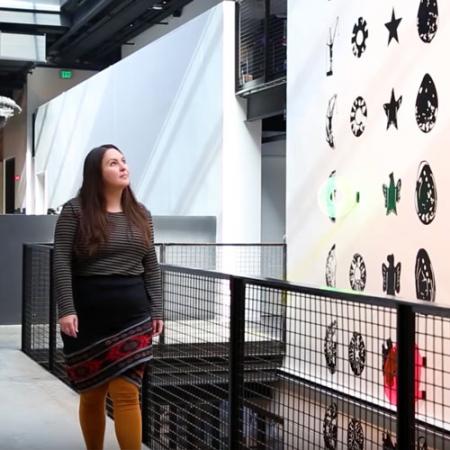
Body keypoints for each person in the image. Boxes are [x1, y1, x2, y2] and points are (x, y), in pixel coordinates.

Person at [53, 144, 163, 450]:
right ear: (96, 174)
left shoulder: (141, 214)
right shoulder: (74, 211)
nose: (123, 167)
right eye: (113, 163)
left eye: (124, 161)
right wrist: (66, 308)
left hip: (133, 314)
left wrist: (158, 310)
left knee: (127, 392)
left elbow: (150, 264)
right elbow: (61, 260)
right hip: (87, 314)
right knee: (92, 393)